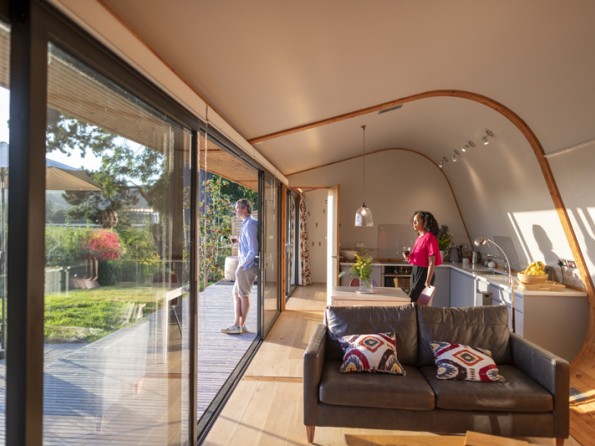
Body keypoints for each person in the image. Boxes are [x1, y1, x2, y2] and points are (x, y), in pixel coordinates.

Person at [221, 198, 259, 334]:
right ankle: (239, 324)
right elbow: (249, 244)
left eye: (237, 208)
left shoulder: (250, 225)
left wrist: (243, 266)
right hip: (245, 265)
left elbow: (253, 250)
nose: (235, 211)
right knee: (237, 294)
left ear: (244, 209)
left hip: (247, 266)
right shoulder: (248, 223)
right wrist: (239, 240)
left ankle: (239, 325)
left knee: (243, 295)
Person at [406, 210, 442, 303]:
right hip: (415, 271)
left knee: (414, 301)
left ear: (424, 222)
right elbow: (418, 257)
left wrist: (428, 280)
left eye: (417, 221)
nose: (414, 223)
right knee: (414, 301)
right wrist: (408, 256)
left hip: (424, 273)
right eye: (413, 221)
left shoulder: (430, 238)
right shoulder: (419, 237)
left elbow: (431, 262)